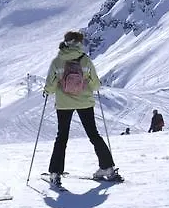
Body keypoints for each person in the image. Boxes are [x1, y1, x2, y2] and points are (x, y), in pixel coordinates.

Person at [42, 30, 121, 189]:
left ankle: (55, 173)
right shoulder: (85, 60)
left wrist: (47, 91)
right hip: (85, 102)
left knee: (62, 137)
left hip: (64, 104)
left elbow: (50, 85)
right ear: (79, 43)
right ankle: (107, 168)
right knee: (93, 134)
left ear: (65, 42)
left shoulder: (57, 61)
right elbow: (96, 84)